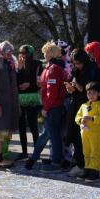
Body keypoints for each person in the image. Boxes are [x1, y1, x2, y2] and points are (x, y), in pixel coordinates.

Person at [25, 41, 66, 171]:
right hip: (53, 106)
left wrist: (45, 108)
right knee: (49, 134)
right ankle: (35, 159)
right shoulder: (51, 67)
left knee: (52, 135)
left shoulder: (53, 68)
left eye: (45, 51)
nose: (43, 54)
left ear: (49, 53)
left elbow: (52, 92)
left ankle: (55, 162)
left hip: (52, 107)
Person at [64, 49, 100, 178]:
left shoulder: (93, 70)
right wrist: (70, 89)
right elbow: (73, 90)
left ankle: (88, 167)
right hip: (76, 107)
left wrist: (80, 88)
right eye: (74, 63)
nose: (76, 66)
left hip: (89, 108)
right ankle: (80, 164)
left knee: (86, 139)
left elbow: (95, 89)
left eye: (78, 63)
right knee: (75, 135)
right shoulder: (75, 71)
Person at [74, 81, 100, 182]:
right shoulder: (84, 105)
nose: (91, 95)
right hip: (84, 133)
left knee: (95, 151)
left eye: (93, 93)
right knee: (86, 151)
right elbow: (77, 117)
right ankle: (88, 168)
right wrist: (80, 121)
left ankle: (95, 170)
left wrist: (92, 118)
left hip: (95, 133)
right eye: (88, 93)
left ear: (99, 93)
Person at [16, 44, 42, 160]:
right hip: (20, 98)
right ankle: (24, 152)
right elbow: (14, 81)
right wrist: (19, 69)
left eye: (24, 53)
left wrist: (30, 84)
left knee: (33, 126)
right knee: (21, 126)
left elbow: (40, 81)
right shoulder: (18, 65)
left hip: (32, 97)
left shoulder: (37, 64)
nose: (22, 55)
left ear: (30, 54)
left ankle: (36, 152)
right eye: (20, 53)